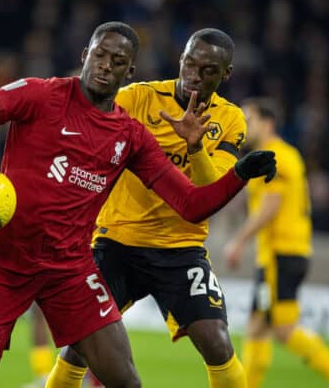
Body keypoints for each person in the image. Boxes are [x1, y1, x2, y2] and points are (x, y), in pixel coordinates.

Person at [0, 21, 275, 388]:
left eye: (118, 60)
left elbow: (191, 204)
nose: (106, 65)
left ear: (129, 70)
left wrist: (238, 174)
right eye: (100, 55)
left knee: (132, 380)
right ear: (85, 55)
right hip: (9, 261)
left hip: (72, 269)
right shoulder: (39, 94)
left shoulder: (131, 134)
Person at [47, 28, 249, 388]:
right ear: (181, 59)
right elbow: (86, 120)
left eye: (208, 70)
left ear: (225, 74)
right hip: (117, 241)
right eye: (190, 64)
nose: (194, 76)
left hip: (180, 249)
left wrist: (195, 146)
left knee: (217, 342)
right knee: (79, 345)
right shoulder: (138, 98)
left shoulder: (230, 119)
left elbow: (207, 191)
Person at [223, 98, 329, 388]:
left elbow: (271, 205)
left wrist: (238, 241)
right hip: (278, 253)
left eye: (250, 120)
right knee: (258, 327)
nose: (245, 126)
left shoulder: (278, 156)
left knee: (284, 330)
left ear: (268, 122)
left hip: (282, 252)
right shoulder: (280, 155)